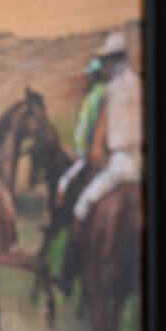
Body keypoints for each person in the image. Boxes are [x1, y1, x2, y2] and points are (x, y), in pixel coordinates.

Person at [57, 32, 142, 294]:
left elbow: (97, 141)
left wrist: (97, 153)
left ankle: (69, 274)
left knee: (81, 208)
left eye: (105, 61)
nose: (103, 67)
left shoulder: (110, 90)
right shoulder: (140, 84)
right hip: (140, 164)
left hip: (119, 164)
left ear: (113, 60)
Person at [54, 57, 107, 206]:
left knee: (63, 182)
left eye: (90, 75)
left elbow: (83, 127)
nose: (88, 79)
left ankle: (61, 212)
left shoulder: (90, 98)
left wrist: (80, 149)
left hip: (90, 148)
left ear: (94, 76)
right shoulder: (107, 91)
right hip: (108, 147)